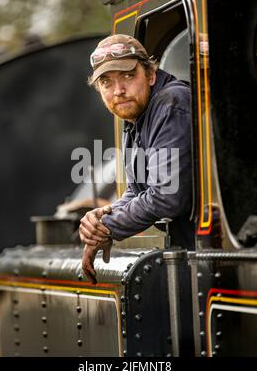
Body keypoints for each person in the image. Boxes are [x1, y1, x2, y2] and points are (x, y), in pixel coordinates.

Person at [79, 34, 194, 284]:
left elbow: (167, 195)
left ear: (151, 75)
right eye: (106, 82)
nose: (119, 91)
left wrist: (108, 226)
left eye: (128, 76)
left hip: (208, 251)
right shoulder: (134, 118)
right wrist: (103, 217)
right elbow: (138, 189)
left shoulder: (170, 104)